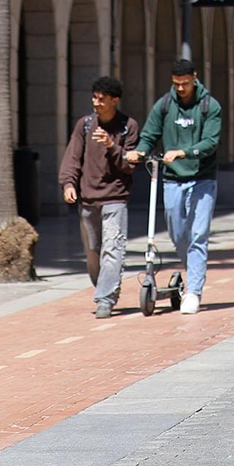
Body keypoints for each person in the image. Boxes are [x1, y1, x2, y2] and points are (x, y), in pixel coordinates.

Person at [125, 59, 222, 316]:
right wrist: (140, 151)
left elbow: (210, 142)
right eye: (176, 84)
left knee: (198, 235)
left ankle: (194, 291)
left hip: (202, 179)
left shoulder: (209, 106)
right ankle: (191, 272)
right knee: (178, 234)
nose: (180, 89)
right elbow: (149, 134)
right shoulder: (165, 105)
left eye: (185, 84)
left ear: (194, 78)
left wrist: (183, 152)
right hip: (171, 179)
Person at [58, 76, 139, 319]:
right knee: (93, 252)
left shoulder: (128, 126)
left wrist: (111, 145)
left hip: (115, 197)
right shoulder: (84, 125)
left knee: (112, 249)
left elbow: (129, 165)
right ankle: (104, 286)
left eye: (101, 99)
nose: (96, 103)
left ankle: (105, 298)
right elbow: (72, 157)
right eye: (94, 98)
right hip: (88, 199)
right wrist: (68, 184)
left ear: (115, 100)